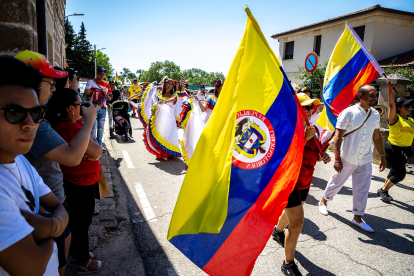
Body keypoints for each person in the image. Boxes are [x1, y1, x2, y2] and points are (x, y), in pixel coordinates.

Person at [15, 50, 96, 276]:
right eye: (50, 82)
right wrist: (89, 121)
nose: (53, 89)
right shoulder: (35, 126)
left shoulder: (36, 124)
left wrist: (58, 216)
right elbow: (74, 157)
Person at [0, 56, 69, 276]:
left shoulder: (19, 160)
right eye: (14, 113)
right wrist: (54, 229)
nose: (30, 124)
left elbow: (58, 206)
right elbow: (33, 268)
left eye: (37, 113)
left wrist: (42, 228)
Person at [46, 88, 106, 274]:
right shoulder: (69, 127)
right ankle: (83, 261)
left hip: (80, 181)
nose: (84, 108)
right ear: (71, 108)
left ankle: (77, 252)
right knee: (82, 223)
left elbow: (93, 149)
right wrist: (90, 120)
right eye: (80, 105)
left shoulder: (69, 125)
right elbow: (96, 152)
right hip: (81, 183)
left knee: (79, 221)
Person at [270, 93, 331, 276]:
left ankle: (277, 231)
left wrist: (323, 157)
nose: (309, 111)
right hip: (288, 180)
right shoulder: (283, 127)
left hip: (305, 180)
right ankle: (288, 263)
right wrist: (303, 138)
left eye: (311, 107)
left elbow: (314, 155)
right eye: (304, 107)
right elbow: (279, 156)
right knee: (297, 223)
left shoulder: (316, 129)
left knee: (291, 217)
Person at [319, 85, 386, 233]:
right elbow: (338, 136)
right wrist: (337, 158)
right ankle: (323, 200)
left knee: (363, 188)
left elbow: (376, 137)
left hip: (365, 158)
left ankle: (357, 218)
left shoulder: (375, 114)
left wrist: (382, 156)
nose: (374, 97)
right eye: (371, 95)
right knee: (338, 181)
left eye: (375, 95)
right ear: (360, 96)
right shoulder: (348, 113)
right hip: (348, 155)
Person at [378, 81, 414, 203]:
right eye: (406, 106)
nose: (409, 108)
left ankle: (383, 189)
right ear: (399, 108)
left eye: (410, 106)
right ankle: (384, 190)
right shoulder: (395, 118)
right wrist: (389, 90)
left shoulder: (411, 120)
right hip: (394, 149)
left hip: (406, 150)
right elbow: (392, 106)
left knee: (394, 171)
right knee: (400, 174)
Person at [143, 78, 182, 159]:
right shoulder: (160, 93)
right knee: (161, 134)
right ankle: (161, 152)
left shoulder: (174, 94)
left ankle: (170, 152)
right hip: (159, 118)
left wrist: (164, 102)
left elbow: (173, 99)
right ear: (164, 84)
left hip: (169, 119)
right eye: (168, 84)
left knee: (169, 135)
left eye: (171, 84)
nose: (170, 86)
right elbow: (153, 95)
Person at [84, 68, 112, 150]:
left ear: (105, 75)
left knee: (101, 128)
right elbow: (85, 95)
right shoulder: (91, 82)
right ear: (97, 73)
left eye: (102, 74)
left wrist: (108, 98)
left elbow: (110, 95)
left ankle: (99, 145)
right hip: (93, 108)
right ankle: (92, 146)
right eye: (99, 73)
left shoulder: (107, 84)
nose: (101, 75)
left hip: (102, 108)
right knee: (93, 127)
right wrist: (96, 101)